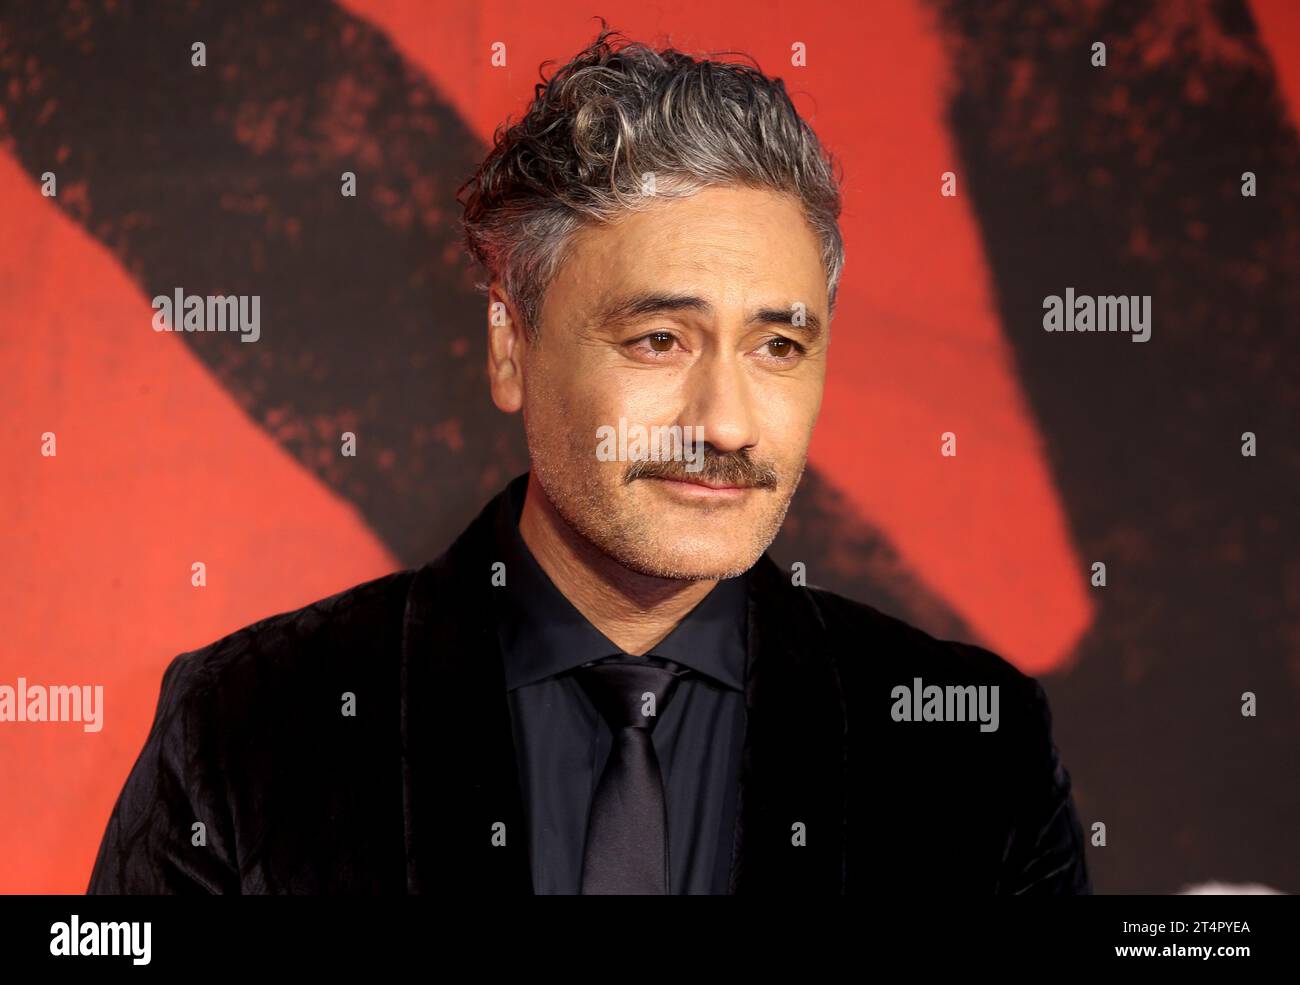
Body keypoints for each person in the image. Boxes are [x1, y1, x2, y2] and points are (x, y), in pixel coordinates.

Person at [88, 27, 1090, 895]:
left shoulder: (973, 750)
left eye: (777, 346)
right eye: (659, 338)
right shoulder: (251, 725)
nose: (728, 422)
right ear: (510, 347)